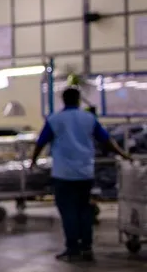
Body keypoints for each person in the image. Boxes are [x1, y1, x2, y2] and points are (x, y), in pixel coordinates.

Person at [32, 87, 132, 262]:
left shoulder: (55, 119)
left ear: (63, 100)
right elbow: (106, 140)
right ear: (79, 100)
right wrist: (123, 155)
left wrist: (33, 160)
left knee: (68, 211)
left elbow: (41, 142)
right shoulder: (89, 118)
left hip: (63, 174)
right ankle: (87, 247)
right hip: (85, 173)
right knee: (84, 210)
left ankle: (72, 249)